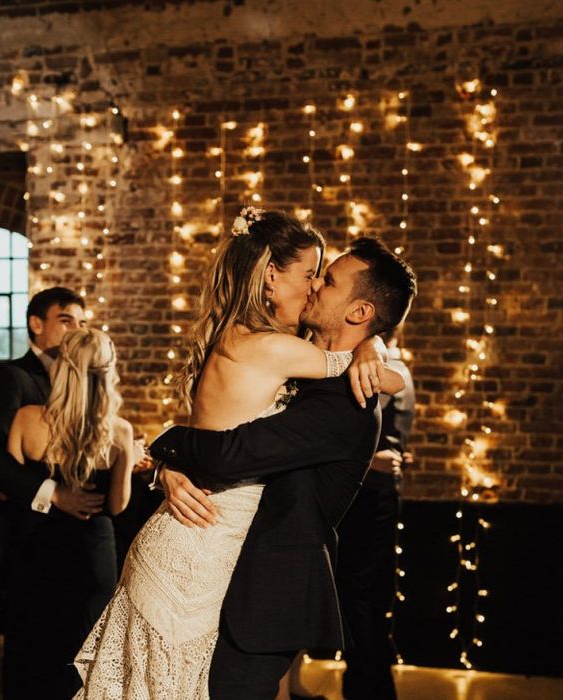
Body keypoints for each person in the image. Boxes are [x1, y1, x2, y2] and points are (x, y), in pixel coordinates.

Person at [73, 209, 405, 699]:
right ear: (271, 275)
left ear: (359, 312)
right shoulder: (282, 350)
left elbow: (229, 452)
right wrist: (164, 461)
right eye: (311, 274)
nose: (314, 287)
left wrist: (371, 348)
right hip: (201, 545)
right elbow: (228, 450)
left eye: (325, 280)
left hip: (253, 583)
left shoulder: (343, 399)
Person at [0, 286, 107, 699]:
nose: (76, 331)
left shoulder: (85, 383)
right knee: (29, 657)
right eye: (66, 321)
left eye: (82, 323)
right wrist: (52, 492)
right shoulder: (11, 377)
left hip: (78, 542)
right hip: (27, 539)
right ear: (36, 324)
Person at [7, 327, 134, 699]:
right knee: (82, 662)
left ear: (62, 369)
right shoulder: (120, 432)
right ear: (108, 373)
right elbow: (116, 506)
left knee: (35, 655)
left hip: (36, 549)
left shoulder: (26, 419)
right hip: (91, 555)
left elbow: (10, 487)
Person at [335, 337, 416, 700]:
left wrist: (372, 462)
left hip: (367, 496)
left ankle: (366, 689)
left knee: (359, 598)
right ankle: (375, 688)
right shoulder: (400, 367)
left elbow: (360, 436)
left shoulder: (380, 369)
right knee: (368, 598)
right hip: (379, 495)